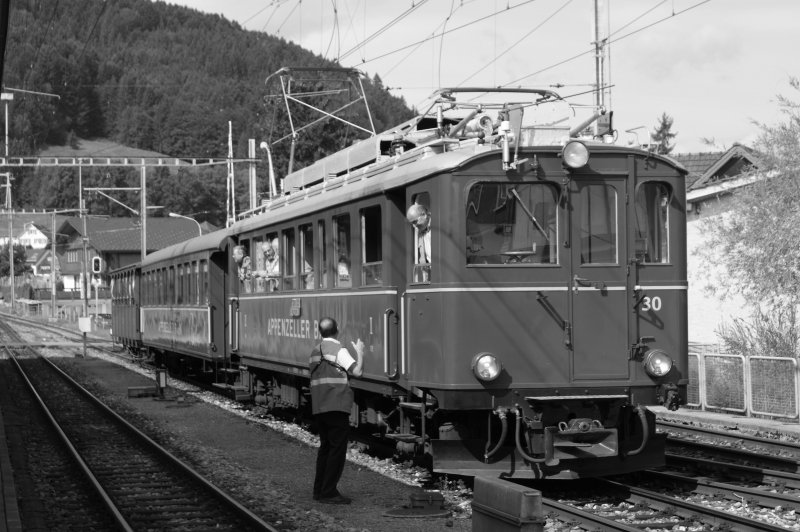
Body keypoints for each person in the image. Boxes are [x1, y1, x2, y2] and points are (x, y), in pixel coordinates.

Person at [309, 317, 365, 505]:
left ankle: (319, 491)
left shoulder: (315, 352)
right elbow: (357, 372)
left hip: (319, 406)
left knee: (325, 449)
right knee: (336, 451)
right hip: (337, 405)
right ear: (337, 330)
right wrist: (360, 352)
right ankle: (329, 492)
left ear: (320, 331)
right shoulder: (338, 350)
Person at [406, 203, 431, 281]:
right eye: (412, 223)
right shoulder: (421, 231)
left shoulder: (437, 225)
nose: (414, 226)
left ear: (424, 215)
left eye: (415, 222)